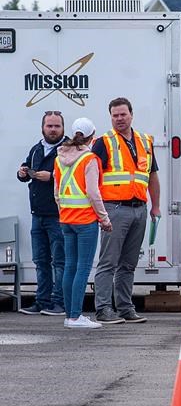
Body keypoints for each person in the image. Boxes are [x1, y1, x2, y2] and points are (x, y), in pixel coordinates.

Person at [91, 97, 160, 324]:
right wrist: (100, 212)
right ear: (110, 117)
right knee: (108, 262)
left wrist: (155, 206)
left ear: (131, 114)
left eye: (123, 114)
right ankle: (103, 309)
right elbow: (90, 177)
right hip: (115, 208)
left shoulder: (144, 141)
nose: (119, 119)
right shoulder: (103, 142)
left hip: (139, 209)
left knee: (128, 264)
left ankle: (125, 308)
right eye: (115, 115)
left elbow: (152, 176)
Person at [54, 118, 113, 329]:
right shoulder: (90, 159)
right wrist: (104, 219)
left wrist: (63, 212)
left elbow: (57, 191)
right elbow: (93, 192)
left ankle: (69, 315)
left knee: (70, 266)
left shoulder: (60, 157)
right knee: (83, 268)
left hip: (66, 219)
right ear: (92, 136)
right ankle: (76, 316)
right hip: (85, 220)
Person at [16, 111, 67, 316]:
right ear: (42, 128)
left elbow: (78, 176)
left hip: (59, 215)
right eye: (49, 126)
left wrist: (53, 176)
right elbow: (26, 173)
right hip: (38, 214)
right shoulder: (37, 149)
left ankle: (59, 302)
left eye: (57, 126)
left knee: (60, 261)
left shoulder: (69, 149)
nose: (53, 130)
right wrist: (22, 172)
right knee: (41, 261)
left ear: (63, 128)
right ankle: (42, 301)